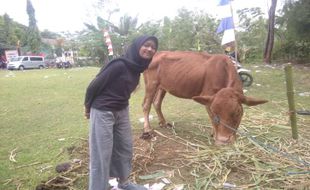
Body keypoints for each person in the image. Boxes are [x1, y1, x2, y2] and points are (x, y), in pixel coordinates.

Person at [84, 35, 158, 190]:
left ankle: (124, 183)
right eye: (147, 45)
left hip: (122, 110)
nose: (150, 49)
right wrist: (87, 107)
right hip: (103, 111)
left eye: (153, 47)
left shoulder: (137, 68)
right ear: (137, 46)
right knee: (101, 154)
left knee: (125, 148)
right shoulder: (118, 65)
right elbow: (93, 86)